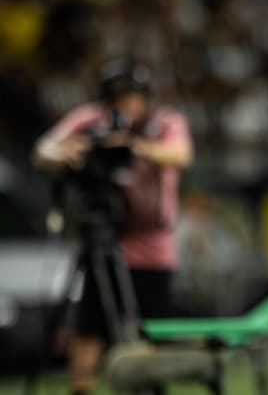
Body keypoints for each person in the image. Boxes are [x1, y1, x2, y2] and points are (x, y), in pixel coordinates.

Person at [32, 60, 193, 395]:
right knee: (90, 326)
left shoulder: (165, 122)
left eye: (131, 96)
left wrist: (133, 146)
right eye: (117, 98)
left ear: (145, 96)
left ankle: (150, 387)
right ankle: (81, 389)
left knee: (153, 330)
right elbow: (42, 151)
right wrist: (67, 152)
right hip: (105, 240)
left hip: (153, 246)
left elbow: (181, 155)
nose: (124, 105)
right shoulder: (92, 119)